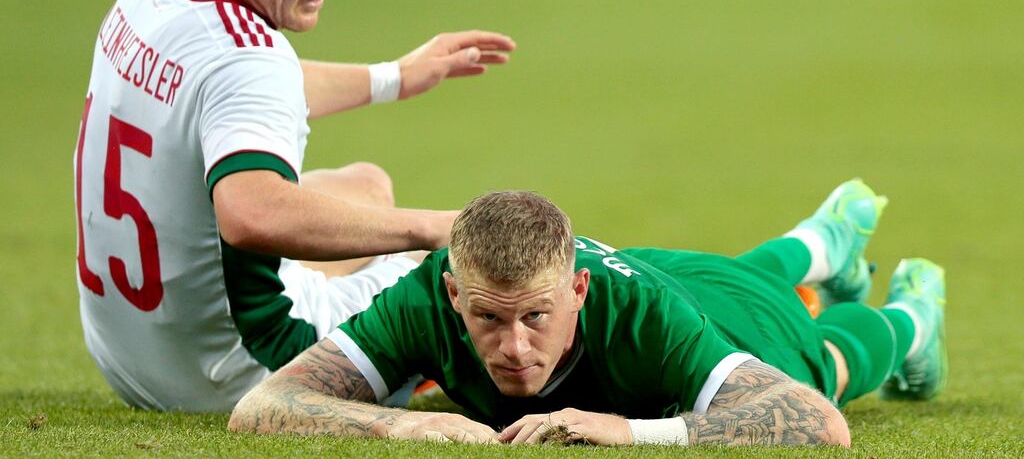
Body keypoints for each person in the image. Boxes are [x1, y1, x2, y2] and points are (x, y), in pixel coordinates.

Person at [73, 0, 515, 412]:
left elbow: (237, 93)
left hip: (129, 350)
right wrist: (434, 228)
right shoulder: (249, 61)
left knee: (367, 184)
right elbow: (252, 213)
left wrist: (394, 77)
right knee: (450, 271)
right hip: (241, 371)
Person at [227, 180, 948, 447]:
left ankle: (914, 317)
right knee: (742, 273)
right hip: (680, 270)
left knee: (825, 359)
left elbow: (819, 425)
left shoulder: (642, 318)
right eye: (488, 319)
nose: (513, 347)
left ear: (578, 292)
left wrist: (630, 431)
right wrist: (404, 425)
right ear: (454, 295)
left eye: (534, 318)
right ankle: (821, 242)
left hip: (720, 319)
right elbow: (264, 406)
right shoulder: (425, 297)